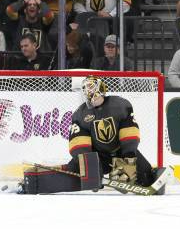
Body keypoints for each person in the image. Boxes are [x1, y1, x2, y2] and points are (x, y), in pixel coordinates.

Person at [15, 75, 166, 194]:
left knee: (132, 184)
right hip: (96, 158)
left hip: (120, 154)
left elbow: (129, 133)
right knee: (73, 175)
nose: (90, 95)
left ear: (101, 89)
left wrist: (128, 157)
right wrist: (91, 168)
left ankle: (150, 176)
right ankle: (33, 182)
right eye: (87, 91)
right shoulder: (80, 114)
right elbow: (79, 144)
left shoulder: (120, 105)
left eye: (92, 90)